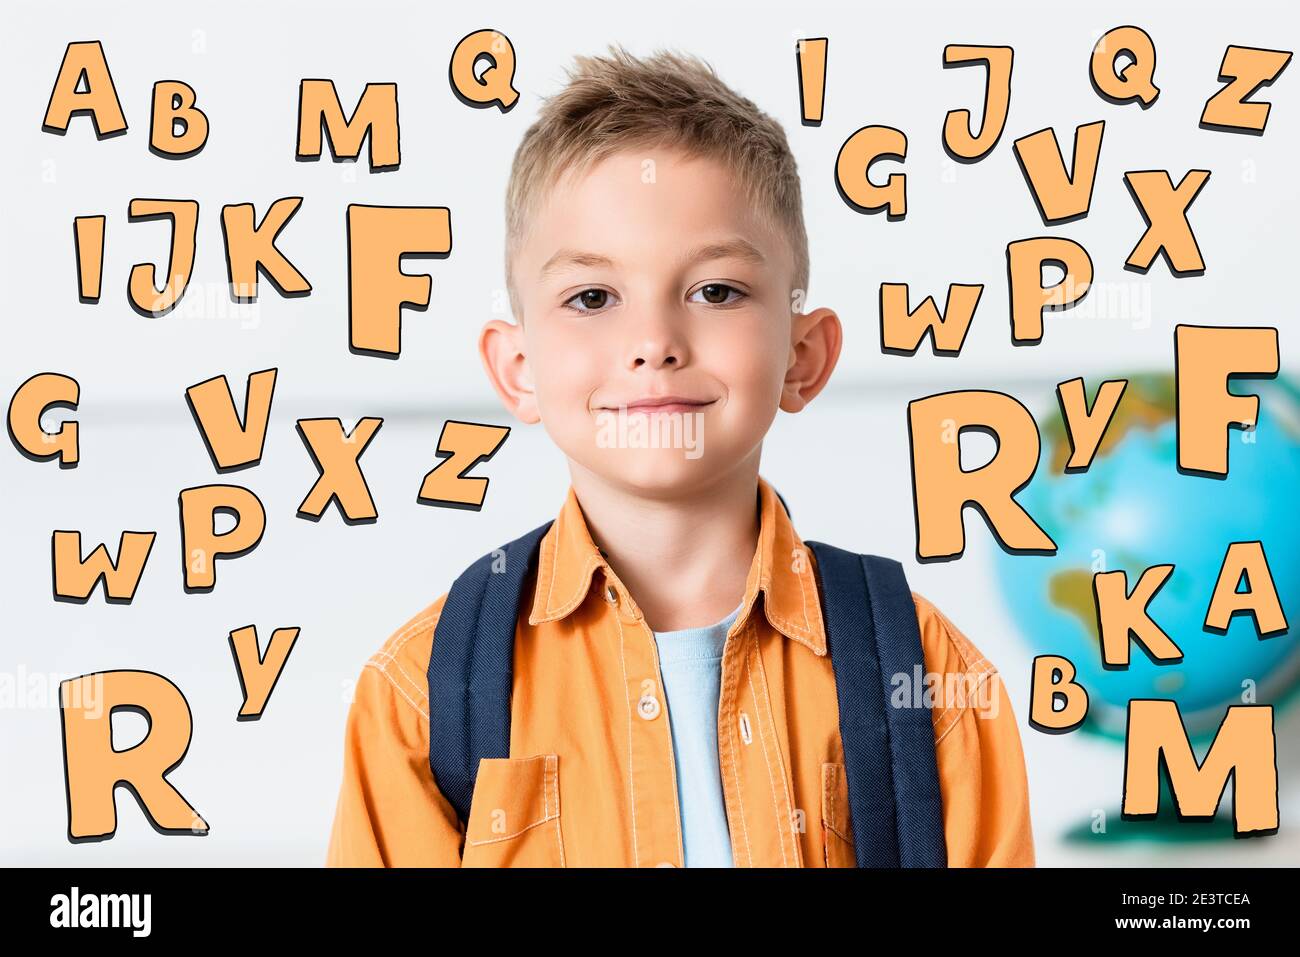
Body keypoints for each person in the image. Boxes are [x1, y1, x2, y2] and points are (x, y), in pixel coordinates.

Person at [325, 44, 1034, 868]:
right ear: (517, 370)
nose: (654, 342)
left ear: (803, 355)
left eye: (715, 291)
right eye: (592, 297)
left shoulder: (925, 673)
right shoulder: (420, 696)